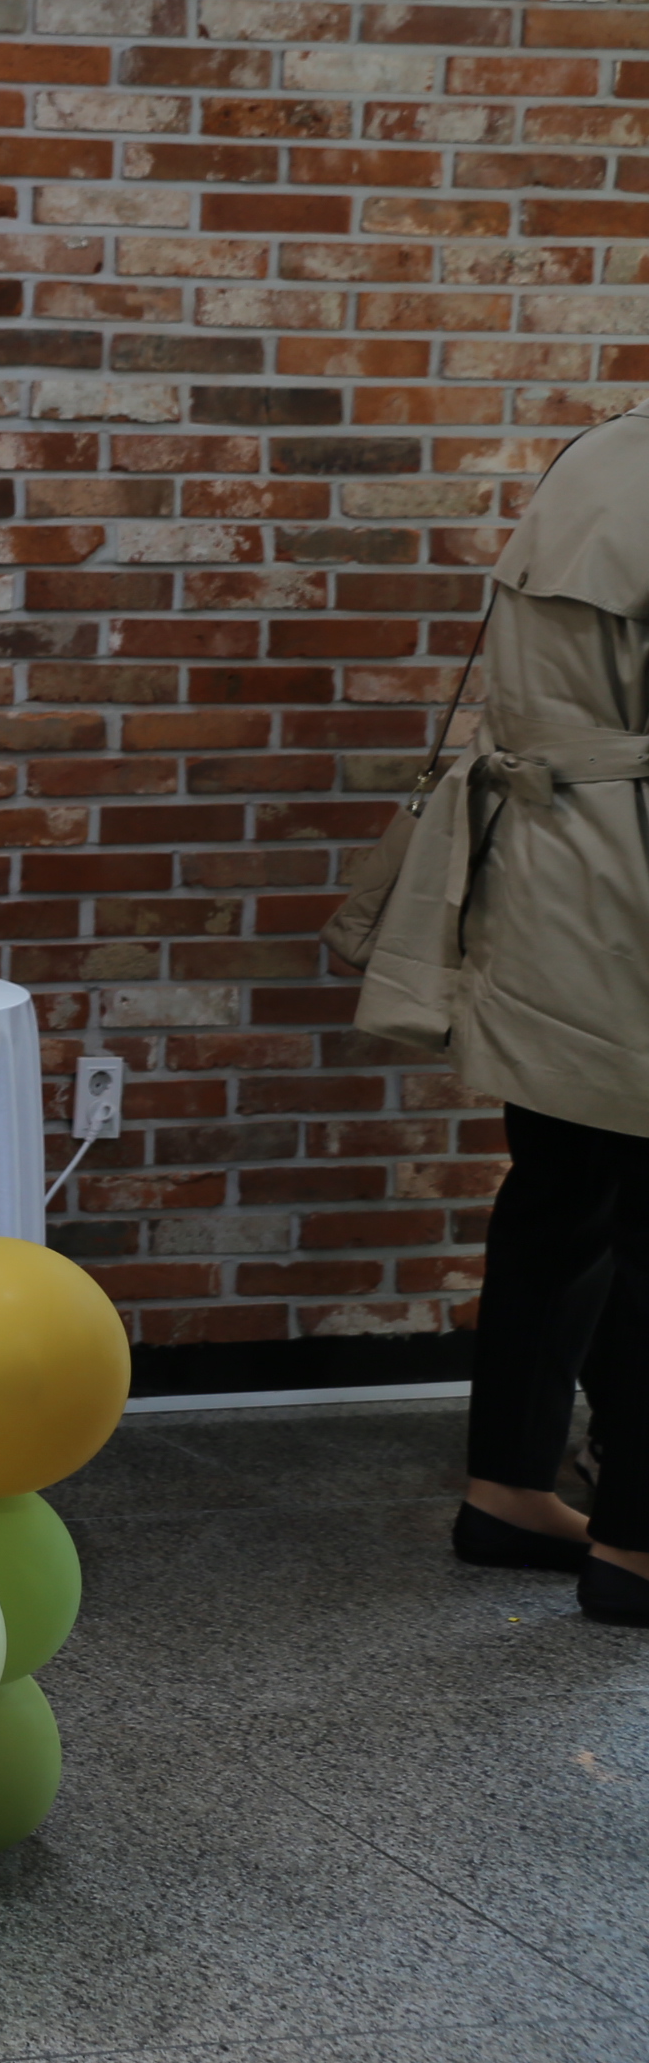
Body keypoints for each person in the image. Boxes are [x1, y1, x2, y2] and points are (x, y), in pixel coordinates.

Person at [385, 407, 649, 1624]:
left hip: (544, 865)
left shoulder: (598, 451)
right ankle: (636, 1545)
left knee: (558, 1190)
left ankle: (509, 1489)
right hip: (629, 876)